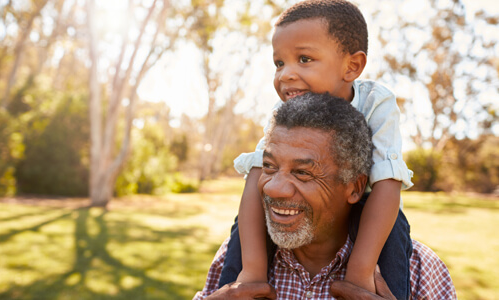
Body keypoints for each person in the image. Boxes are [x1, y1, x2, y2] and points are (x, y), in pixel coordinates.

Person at [220, 0, 414, 298]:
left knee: (395, 231)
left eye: (304, 59)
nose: (285, 75)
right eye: (279, 63)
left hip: (370, 207)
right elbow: (256, 178)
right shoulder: (283, 112)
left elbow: (388, 183)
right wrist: (253, 268)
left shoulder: (376, 102)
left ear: (352, 66)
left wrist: (360, 273)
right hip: (304, 214)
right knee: (243, 224)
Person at [194, 93, 456, 299]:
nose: (273, 188)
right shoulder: (236, 258)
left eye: (303, 173)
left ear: (354, 188)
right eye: (270, 167)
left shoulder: (420, 270)